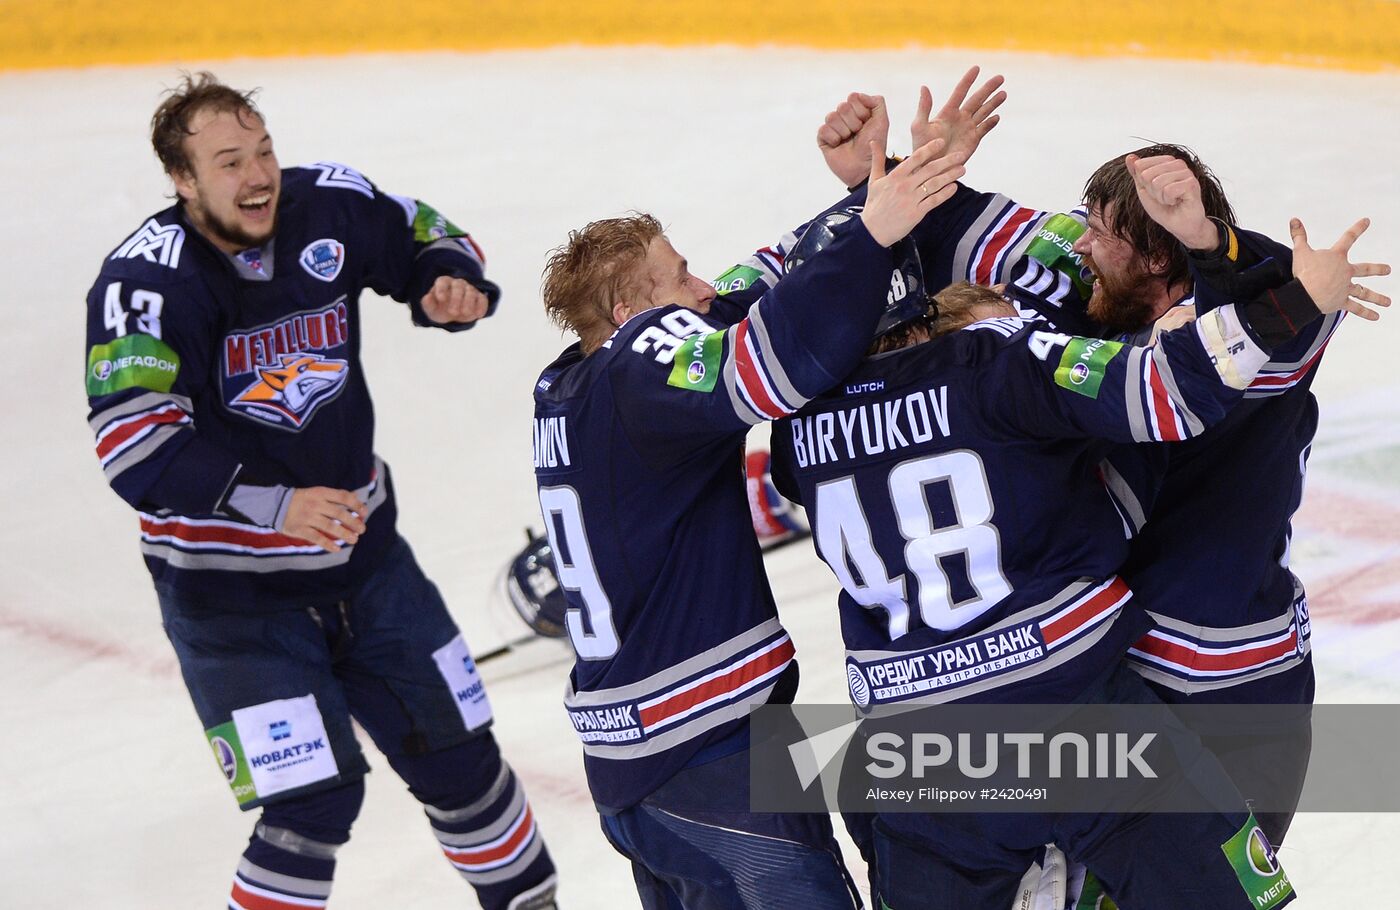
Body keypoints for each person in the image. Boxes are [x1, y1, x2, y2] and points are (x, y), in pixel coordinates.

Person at [767, 168, 1384, 907]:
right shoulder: (1001, 365)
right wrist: (1290, 293)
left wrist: (885, 179)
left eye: (1097, 230)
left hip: (914, 744)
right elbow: (1186, 379)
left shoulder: (792, 430)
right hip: (1084, 703)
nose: (1078, 246)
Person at [83, 73, 557, 910]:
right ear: (183, 182)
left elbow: (420, 231)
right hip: (233, 608)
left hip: (371, 572)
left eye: (263, 149)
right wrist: (274, 506)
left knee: (466, 770)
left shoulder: (327, 205)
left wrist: (447, 278)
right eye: (228, 162)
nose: (258, 173)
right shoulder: (146, 285)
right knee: (311, 805)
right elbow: (135, 447)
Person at [531, 137, 966, 907]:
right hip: (710, 759)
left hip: (635, 768)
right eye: (679, 278)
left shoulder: (568, 383)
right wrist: (869, 238)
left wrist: (876, 200)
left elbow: (757, 281)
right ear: (630, 315)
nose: (703, 288)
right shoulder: (643, 361)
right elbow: (770, 367)